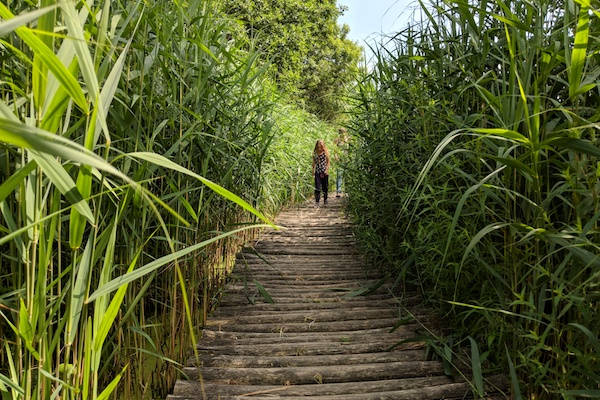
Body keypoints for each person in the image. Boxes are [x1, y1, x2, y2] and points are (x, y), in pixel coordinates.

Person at [312, 139, 330, 206]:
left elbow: (328, 162)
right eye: (319, 143)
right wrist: (313, 171)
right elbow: (313, 163)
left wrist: (326, 170)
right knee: (317, 187)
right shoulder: (315, 153)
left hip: (324, 172)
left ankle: (325, 200)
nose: (321, 144)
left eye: (322, 143)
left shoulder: (325, 152)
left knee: (325, 187)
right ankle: (317, 201)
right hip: (318, 171)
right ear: (317, 144)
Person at [333, 128, 349, 197]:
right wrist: (336, 157)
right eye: (340, 132)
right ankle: (338, 191)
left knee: (347, 175)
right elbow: (335, 149)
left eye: (343, 132)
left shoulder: (348, 139)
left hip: (347, 159)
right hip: (340, 159)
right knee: (339, 175)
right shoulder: (337, 140)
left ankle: (347, 191)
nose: (342, 133)